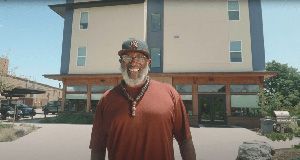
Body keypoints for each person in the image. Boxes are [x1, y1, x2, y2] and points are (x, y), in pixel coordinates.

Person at [90, 38, 196, 160]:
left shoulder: (170, 94)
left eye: (140, 57)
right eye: (127, 57)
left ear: (148, 62)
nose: (133, 62)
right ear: (120, 62)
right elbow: (98, 148)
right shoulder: (106, 99)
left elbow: (185, 140)